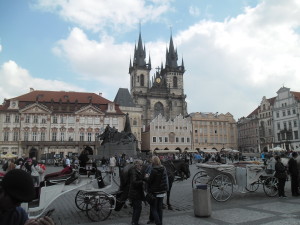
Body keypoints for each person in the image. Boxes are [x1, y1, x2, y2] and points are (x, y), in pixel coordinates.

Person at [146, 156, 168, 225]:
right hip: (162, 192)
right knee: (160, 209)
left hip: (154, 192)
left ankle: (158, 223)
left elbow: (150, 181)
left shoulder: (153, 170)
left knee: (154, 208)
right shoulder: (163, 168)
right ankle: (160, 222)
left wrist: (146, 177)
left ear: (153, 161)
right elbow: (165, 179)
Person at [128, 159, 145, 225]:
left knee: (136, 208)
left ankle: (134, 221)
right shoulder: (134, 172)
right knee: (138, 208)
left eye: (142, 165)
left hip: (137, 192)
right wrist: (142, 182)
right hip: (135, 193)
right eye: (140, 165)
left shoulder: (136, 171)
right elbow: (134, 182)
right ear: (136, 165)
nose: (141, 166)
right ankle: (135, 222)